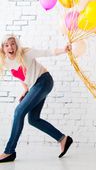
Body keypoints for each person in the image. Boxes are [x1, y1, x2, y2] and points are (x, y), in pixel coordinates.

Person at [0, 34, 73, 163]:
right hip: (35, 86)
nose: (10, 47)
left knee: (18, 112)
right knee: (33, 119)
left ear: (16, 45)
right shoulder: (6, 61)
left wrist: (64, 49)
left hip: (44, 81)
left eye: (12, 44)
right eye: (7, 45)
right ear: (3, 48)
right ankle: (63, 139)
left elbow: (47, 52)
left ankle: (9, 151)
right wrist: (25, 89)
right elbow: (21, 75)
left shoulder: (26, 53)